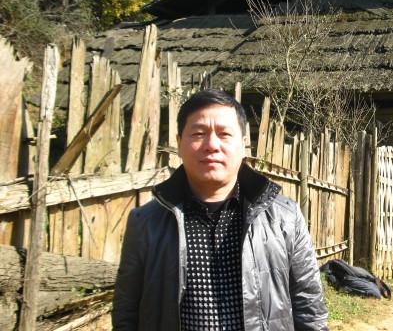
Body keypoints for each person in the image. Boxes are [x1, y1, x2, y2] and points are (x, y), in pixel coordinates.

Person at [112, 89, 328, 330]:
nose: (212, 145)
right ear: (179, 144)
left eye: (224, 134)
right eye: (199, 133)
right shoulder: (145, 223)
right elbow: (126, 314)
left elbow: (309, 310)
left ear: (243, 144)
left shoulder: (285, 218)